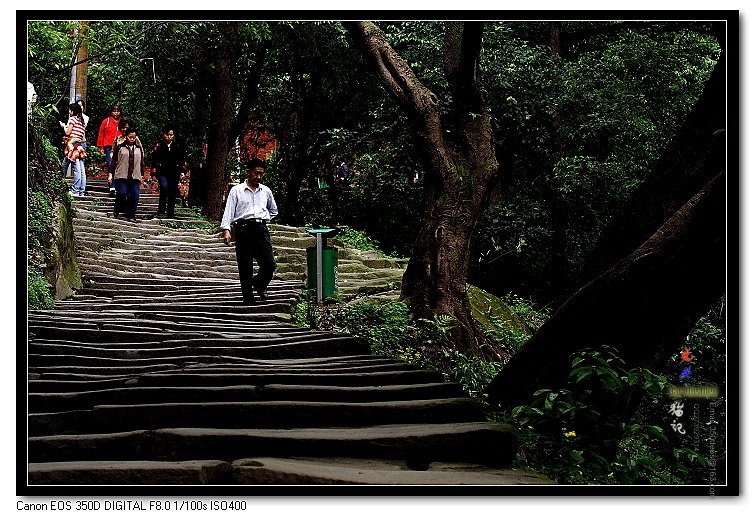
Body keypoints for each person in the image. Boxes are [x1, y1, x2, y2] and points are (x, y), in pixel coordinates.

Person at [220, 158, 278, 305]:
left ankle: (259, 283)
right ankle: (248, 298)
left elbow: (274, 210)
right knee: (245, 265)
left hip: (260, 228)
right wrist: (227, 229)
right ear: (249, 172)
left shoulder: (266, 191)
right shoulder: (237, 190)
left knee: (269, 264)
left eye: (261, 174)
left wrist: (263, 219)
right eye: (255, 173)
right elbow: (229, 211)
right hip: (243, 229)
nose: (258, 177)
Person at [110, 127, 145, 222]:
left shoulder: (138, 149)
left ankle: (131, 215)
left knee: (135, 195)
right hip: (122, 174)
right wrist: (110, 174)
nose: (132, 139)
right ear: (126, 137)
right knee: (121, 193)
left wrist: (142, 174)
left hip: (135, 176)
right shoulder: (120, 147)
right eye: (130, 137)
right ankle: (117, 207)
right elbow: (114, 161)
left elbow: (142, 162)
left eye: (134, 137)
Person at [151, 124, 186, 219]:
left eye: (171, 135)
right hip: (162, 171)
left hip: (174, 172)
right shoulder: (159, 145)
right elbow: (154, 159)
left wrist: (182, 171)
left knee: (172, 191)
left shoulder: (177, 146)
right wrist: (153, 173)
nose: (169, 137)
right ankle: (161, 209)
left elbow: (181, 159)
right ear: (164, 135)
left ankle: (170, 212)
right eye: (167, 135)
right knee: (164, 186)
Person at [109, 116, 143, 200]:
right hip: (121, 167)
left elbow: (140, 152)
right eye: (123, 127)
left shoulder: (135, 139)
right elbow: (113, 153)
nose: (124, 129)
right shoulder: (117, 139)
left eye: (126, 127)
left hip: (133, 169)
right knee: (122, 191)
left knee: (132, 192)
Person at [59, 102, 88, 196]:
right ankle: (81, 191)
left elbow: (68, 133)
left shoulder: (73, 119)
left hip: (72, 145)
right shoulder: (82, 121)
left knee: (76, 169)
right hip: (79, 145)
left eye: (69, 110)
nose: (69, 112)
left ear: (72, 111)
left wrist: (63, 126)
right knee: (81, 169)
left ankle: (75, 190)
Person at [96, 104, 122, 195]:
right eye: (114, 111)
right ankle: (112, 186)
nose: (116, 113)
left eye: (117, 111)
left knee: (119, 166)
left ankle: (117, 186)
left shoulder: (122, 122)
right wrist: (101, 147)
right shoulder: (106, 121)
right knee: (111, 164)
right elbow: (101, 134)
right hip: (109, 147)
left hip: (120, 147)